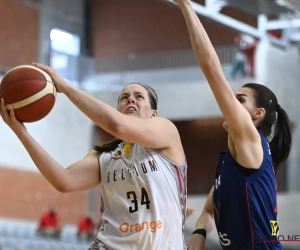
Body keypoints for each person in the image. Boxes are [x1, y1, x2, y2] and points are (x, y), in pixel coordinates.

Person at [0, 64, 187, 249]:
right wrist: (21, 133)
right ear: (118, 109)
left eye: (138, 96)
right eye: (124, 98)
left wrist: (65, 87)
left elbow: (117, 125)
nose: (130, 99)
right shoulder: (105, 155)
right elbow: (64, 181)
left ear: (154, 114)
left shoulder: (167, 132)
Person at [174, 0, 292, 249]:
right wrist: (199, 233)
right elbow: (208, 209)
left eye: (240, 100)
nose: (231, 104)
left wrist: (185, 5)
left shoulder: (251, 139)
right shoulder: (232, 160)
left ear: (256, 114)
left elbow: (211, 68)